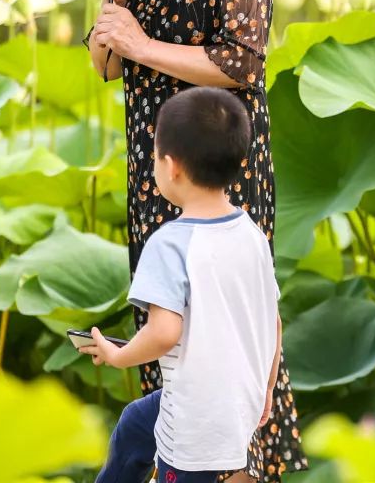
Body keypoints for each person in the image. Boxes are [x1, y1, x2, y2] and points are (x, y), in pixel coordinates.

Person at [84, 0, 303, 483]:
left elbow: (240, 64)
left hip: (217, 160)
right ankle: (179, 468)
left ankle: (239, 472)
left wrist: (142, 42)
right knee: (166, 318)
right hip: (157, 162)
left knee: (224, 335)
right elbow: (109, 66)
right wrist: (109, 2)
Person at [80, 87, 281, 483]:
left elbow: (164, 333)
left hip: (194, 429)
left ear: (170, 167)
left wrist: (116, 355)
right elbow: (273, 322)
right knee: (136, 423)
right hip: (234, 402)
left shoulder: (170, 243)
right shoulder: (251, 234)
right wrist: (267, 387)